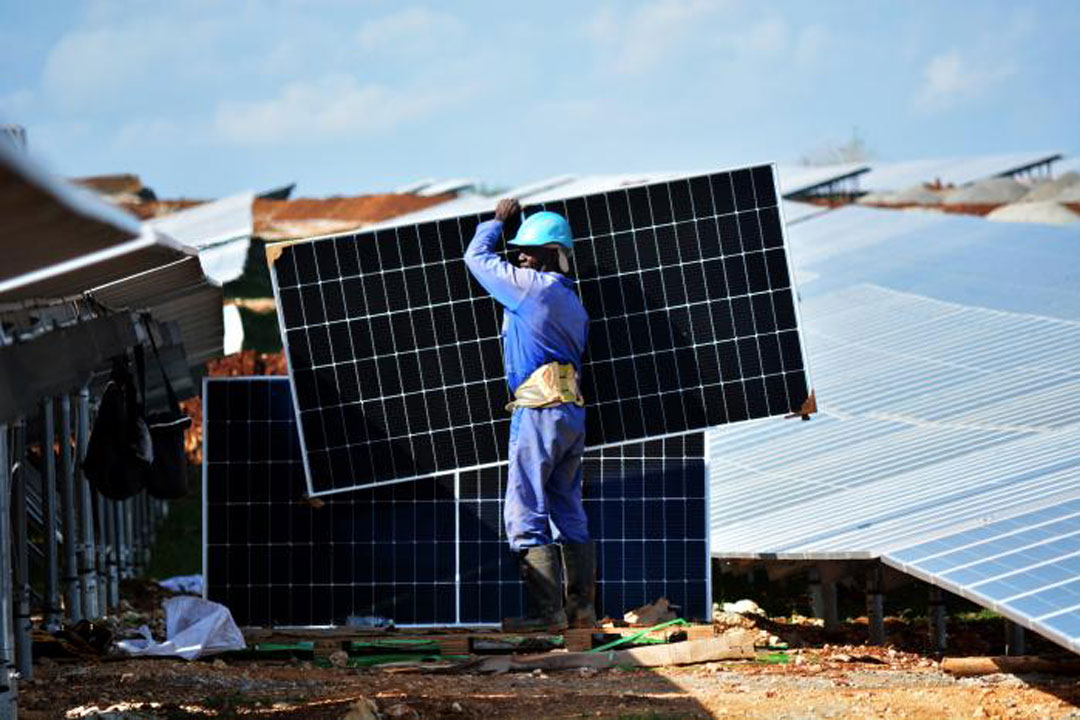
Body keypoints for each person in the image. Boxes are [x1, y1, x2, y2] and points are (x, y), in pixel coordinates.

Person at [464, 198, 595, 632]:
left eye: (528, 251)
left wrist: (497, 223)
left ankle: (547, 616)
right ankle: (581, 612)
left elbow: (475, 259)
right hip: (571, 414)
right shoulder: (573, 303)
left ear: (551, 255)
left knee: (525, 510)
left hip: (538, 411)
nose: (519, 256)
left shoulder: (529, 288)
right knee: (567, 506)